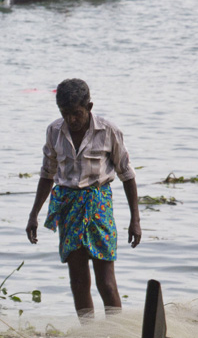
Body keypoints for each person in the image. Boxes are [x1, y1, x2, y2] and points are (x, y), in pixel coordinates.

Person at [25, 79, 141, 320]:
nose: (71, 120)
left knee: (106, 280)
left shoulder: (108, 131)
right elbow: (47, 174)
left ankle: (116, 336)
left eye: (76, 114)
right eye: (65, 114)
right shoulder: (54, 131)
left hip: (98, 205)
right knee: (78, 279)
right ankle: (89, 337)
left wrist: (135, 220)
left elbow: (127, 176)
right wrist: (34, 214)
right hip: (68, 207)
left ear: (89, 106)